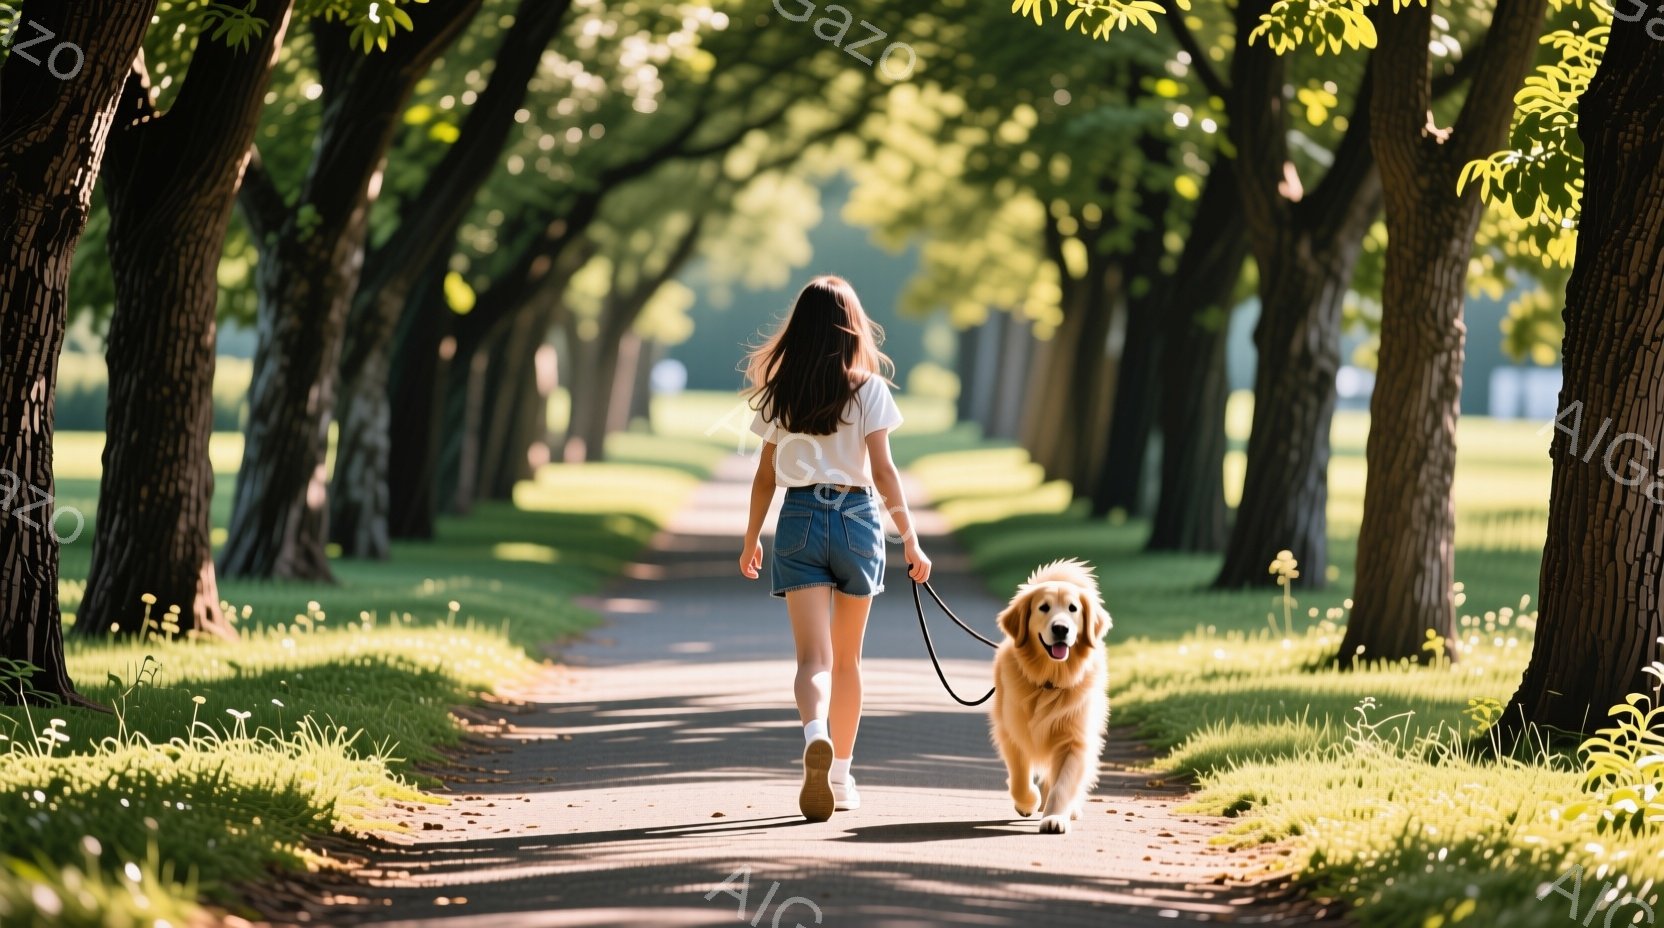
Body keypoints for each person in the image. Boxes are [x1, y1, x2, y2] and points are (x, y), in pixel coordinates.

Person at [736, 275, 932, 822]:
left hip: (798, 517)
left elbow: (764, 475)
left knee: (812, 658)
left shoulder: (781, 391)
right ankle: (841, 776)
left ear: (799, 328)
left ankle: (814, 735)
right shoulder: (868, 388)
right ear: (852, 327)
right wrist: (910, 539)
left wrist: (751, 538)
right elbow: (885, 472)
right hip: (856, 517)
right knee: (847, 660)